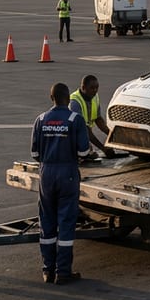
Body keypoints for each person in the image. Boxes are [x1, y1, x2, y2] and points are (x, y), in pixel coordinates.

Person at [31, 82, 90, 285]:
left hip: (46, 173)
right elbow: (84, 152)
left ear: (52, 98)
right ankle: (63, 272)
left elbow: (35, 153)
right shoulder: (75, 119)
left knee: (46, 222)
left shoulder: (40, 119)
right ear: (68, 99)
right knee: (66, 222)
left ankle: (48, 270)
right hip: (67, 173)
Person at [69, 75, 116, 160]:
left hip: (83, 134)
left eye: (96, 88)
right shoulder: (75, 103)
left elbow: (98, 119)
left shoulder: (94, 96)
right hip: (72, 137)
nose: (95, 91)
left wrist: (112, 135)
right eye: (92, 88)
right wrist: (103, 148)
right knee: (86, 155)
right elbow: (85, 130)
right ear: (83, 87)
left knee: (90, 153)